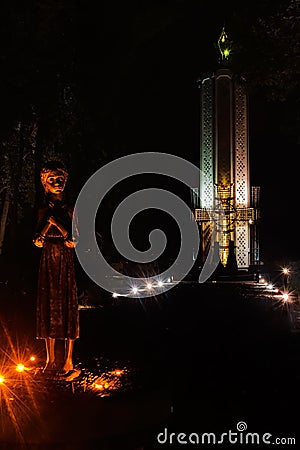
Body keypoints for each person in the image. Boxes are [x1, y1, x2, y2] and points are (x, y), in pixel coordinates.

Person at [33, 161, 79, 377]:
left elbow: (73, 239)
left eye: (60, 179)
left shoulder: (70, 209)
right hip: (48, 260)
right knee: (48, 306)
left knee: (68, 306)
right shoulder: (43, 209)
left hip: (65, 260)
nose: (57, 183)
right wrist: (47, 226)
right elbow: (37, 240)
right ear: (45, 184)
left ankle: (69, 360)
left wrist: (57, 225)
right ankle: (50, 359)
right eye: (52, 180)